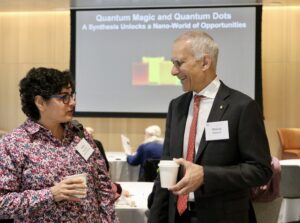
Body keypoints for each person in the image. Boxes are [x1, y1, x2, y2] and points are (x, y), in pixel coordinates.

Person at [148, 31, 272, 223]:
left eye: (179, 63)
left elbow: (260, 171)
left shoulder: (242, 107)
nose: (173, 71)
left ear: (205, 63)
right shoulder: (177, 106)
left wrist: (206, 175)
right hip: (178, 216)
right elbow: (166, 167)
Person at [0, 67, 119, 223]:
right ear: (40, 102)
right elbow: (2, 203)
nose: (72, 102)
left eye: (72, 96)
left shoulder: (80, 135)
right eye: (64, 97)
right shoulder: (13, 144)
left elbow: (103, 185)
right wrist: (51, 194)